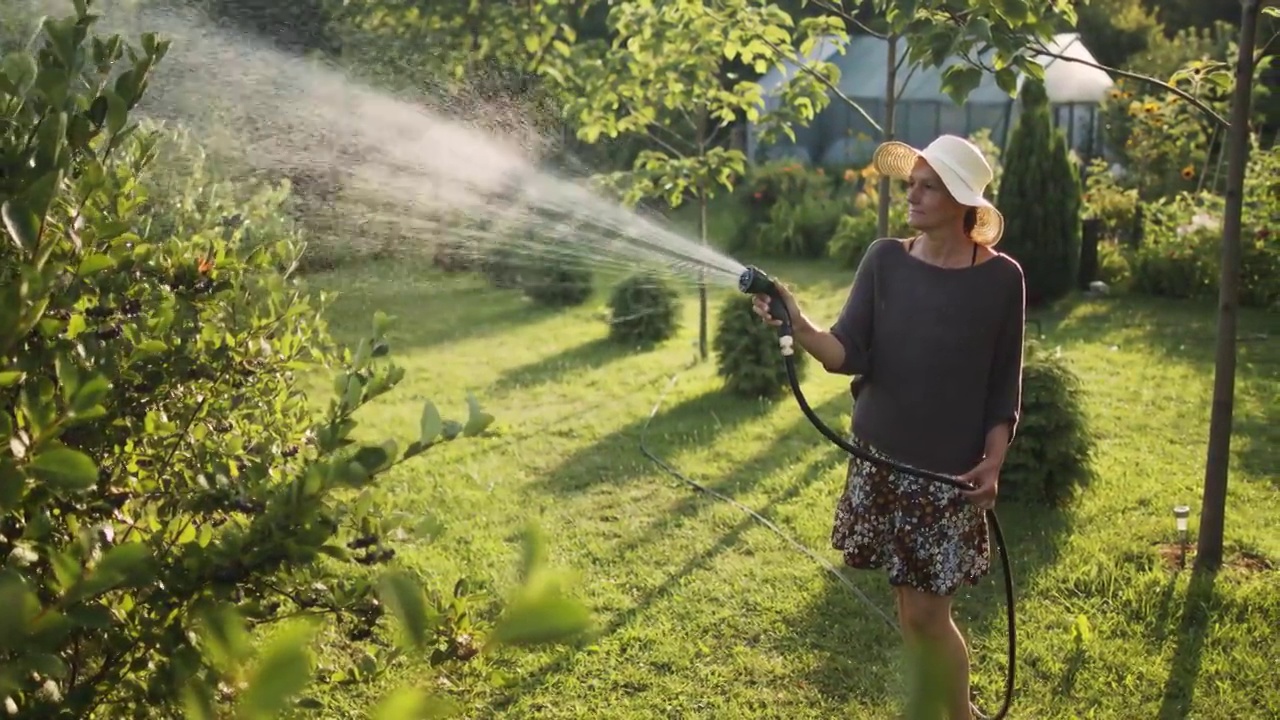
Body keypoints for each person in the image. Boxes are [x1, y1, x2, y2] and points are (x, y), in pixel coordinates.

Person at [752, 134, 1026, 720]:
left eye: (928, 186)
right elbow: (846, 351)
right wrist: (798, 324)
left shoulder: (1001, 281)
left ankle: (961, 715)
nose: (913, 195)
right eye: (912, 184)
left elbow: (1004, 383)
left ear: (960, 199)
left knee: (930, 614)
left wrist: (994, 460)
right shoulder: (885, 260)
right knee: (909, 609)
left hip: (946, 474)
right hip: (881, 463)